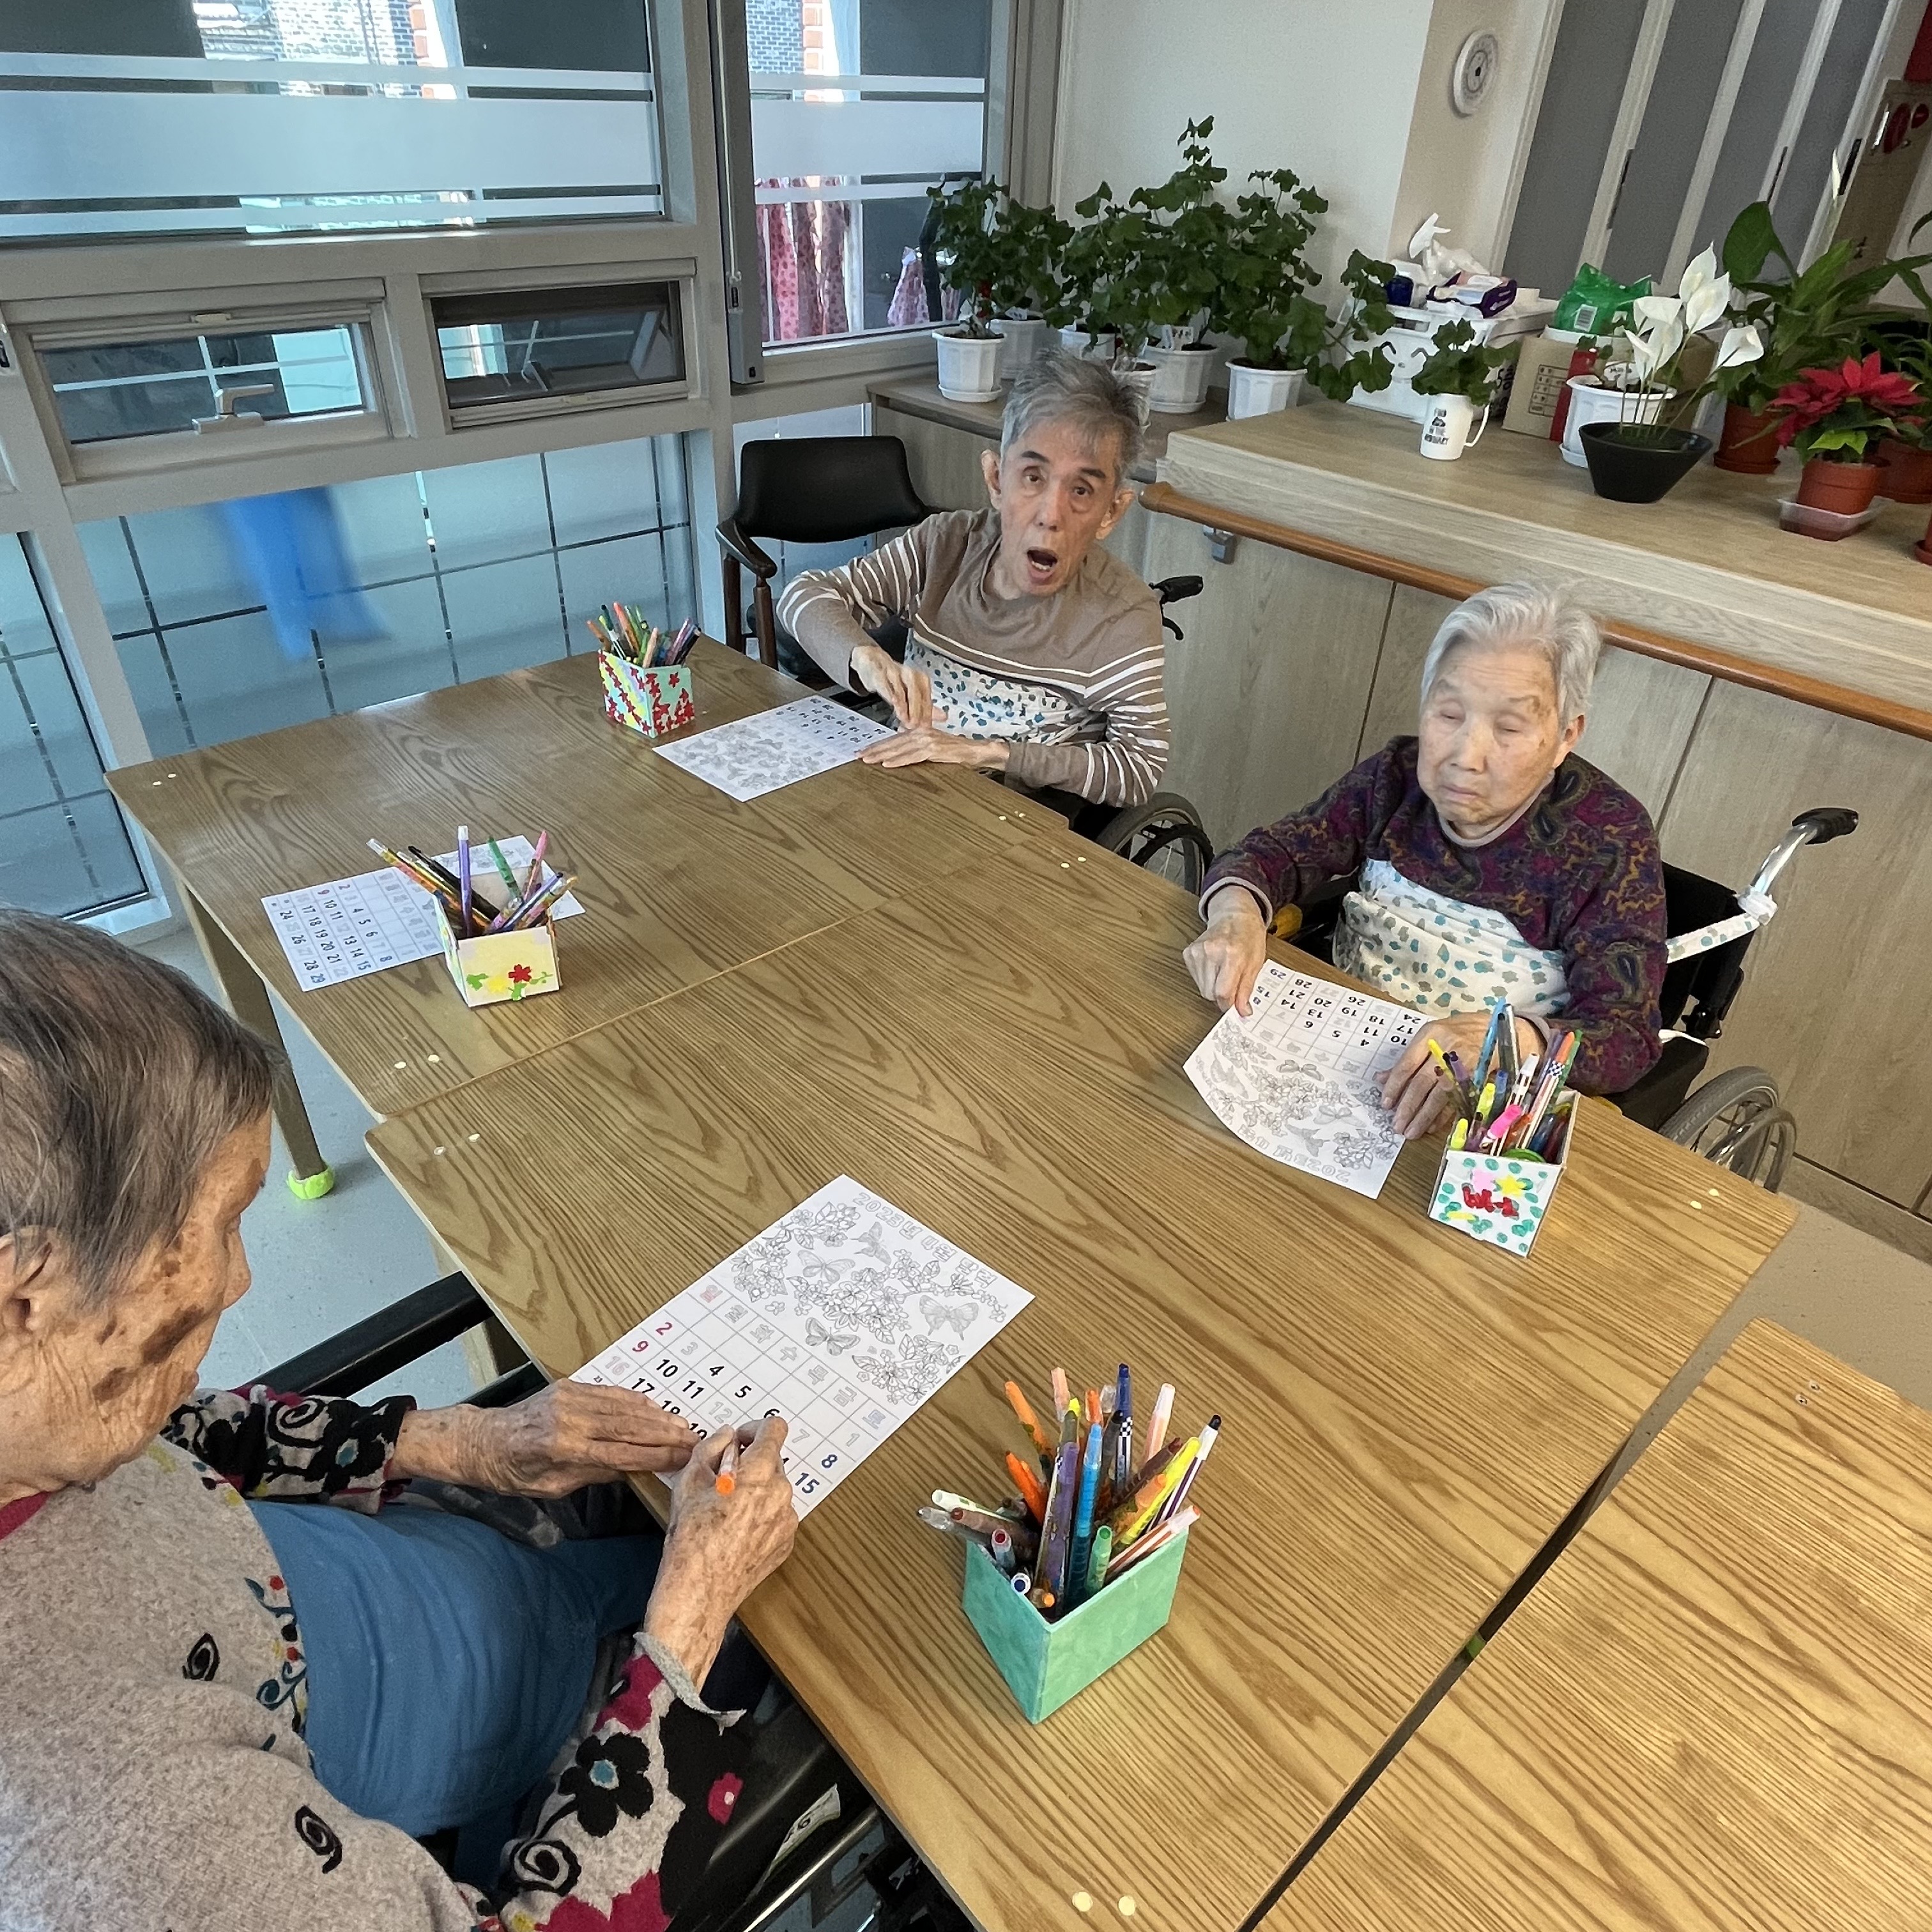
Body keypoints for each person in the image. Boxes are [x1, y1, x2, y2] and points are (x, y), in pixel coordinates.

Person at [0, 909, 797, 1931]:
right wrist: (688, 1627)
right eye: (223, 1225)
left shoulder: (44, 1408)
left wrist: (466, 1441)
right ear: (27, 1297)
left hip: (402, 1563)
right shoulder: (112, 1839)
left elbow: (173, 1436)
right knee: (818, 1646)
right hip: (503, 1745)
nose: (240, 1280)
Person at [1183, 583, 1666, 1138]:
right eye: (1449, 714)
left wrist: (1507, 1042)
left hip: (1480, 1107)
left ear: (1565, 736)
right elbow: (1272, 853)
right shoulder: (1393, 780)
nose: (1466, 755)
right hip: (1340, 1050)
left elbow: (1625, 1036)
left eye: (1508, 728)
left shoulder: (1609, 838)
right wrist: (1235, 915)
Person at [777, 351, 1169, 808]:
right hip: (895, 790)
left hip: (1008, 823)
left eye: (1081, 490)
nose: (1051, 515)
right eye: (1033, 477)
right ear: (996, 479)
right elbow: (803, 594)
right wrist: (864, 657)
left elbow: (1140, 769)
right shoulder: (945, 545)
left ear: (1112, 512)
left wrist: (993, 754)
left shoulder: (1123, 616)